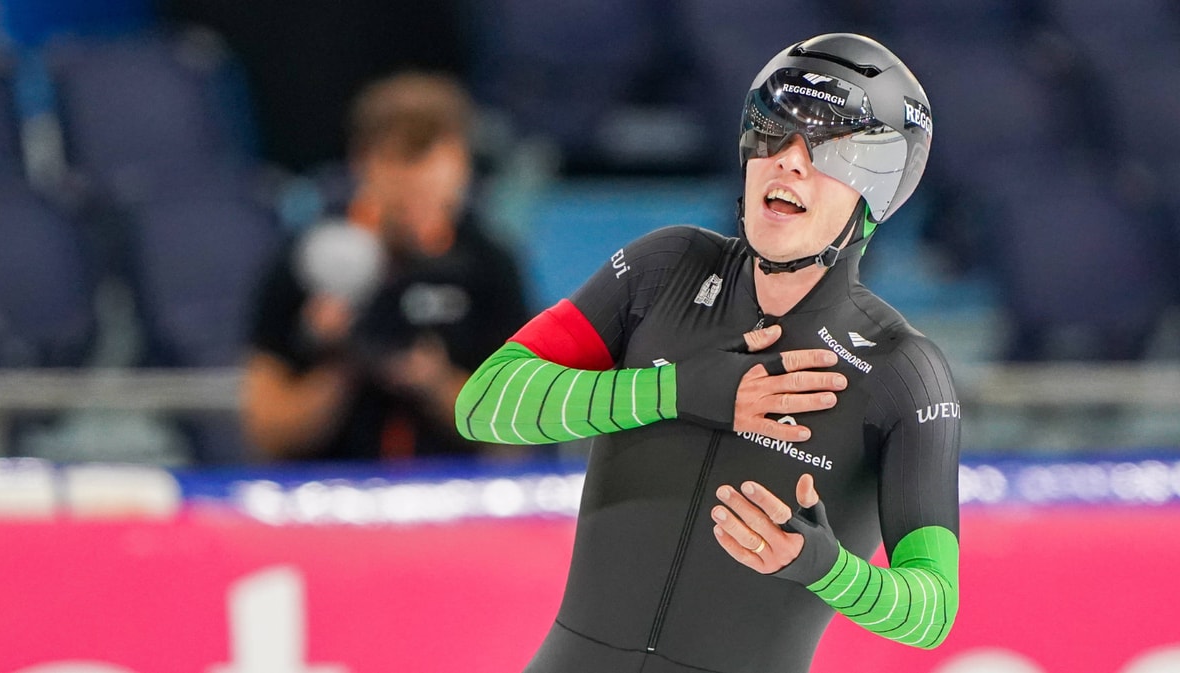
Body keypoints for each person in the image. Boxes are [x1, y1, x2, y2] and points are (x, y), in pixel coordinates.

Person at [456, 33, 960, 673]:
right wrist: (679, 389)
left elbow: (932, 611)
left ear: (878, 196)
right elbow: (484, 404)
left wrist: (827, 569)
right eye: (773, 133)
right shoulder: (664, 268)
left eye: (831, 149)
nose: (789, 162)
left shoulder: (901, 371)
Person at [242, 71, 531, 461]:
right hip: (332, 484)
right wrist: (343, 361)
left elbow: (517, 431)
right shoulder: (308, 261)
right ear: (362, 162)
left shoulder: (487, 264)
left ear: (462, 164)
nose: (416, 180)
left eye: (430, 159)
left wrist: (433, 381)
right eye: (401, 160)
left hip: (451, 486)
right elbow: (265, 431)